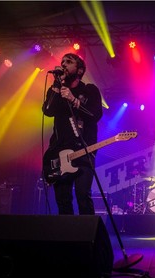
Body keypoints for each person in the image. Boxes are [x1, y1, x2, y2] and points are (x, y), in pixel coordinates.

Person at [42, 53, 103, 215]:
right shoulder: (56, 90)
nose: (63, 64)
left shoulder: (89, 90)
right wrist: (56, 86)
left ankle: (88, 238)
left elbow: (95, 115)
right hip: (59, 153)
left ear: (80, 70)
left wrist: (73, 100)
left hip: (84, 151)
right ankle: (66, 238)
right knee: (63, 200)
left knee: (83, 196)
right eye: (62, 62)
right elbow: (47, 111)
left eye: (69, 62)